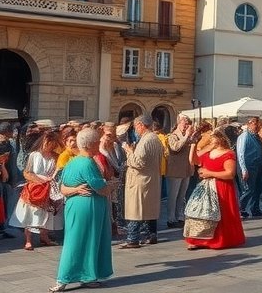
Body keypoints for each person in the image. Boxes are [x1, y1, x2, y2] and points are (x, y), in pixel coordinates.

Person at [51, 128, 114, 291]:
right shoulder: (88, 162)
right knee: (88, 241)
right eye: (98, 142)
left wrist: (75, 190)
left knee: (76, 240)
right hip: (89, 206)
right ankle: (65, 278)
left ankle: (84, 276)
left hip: (73, 206)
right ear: (91, 144)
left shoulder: (72, 162)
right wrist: (112, 185)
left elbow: (62, 188)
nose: (99, 144)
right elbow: (100, 188)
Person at [185, 130, 245, 250]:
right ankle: (198, 239)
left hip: (222, 187)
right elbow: (193, 161)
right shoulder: (207, 152)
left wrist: (209, 173)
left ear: (220, 139)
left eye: (213, 138)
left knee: (220, 214)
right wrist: (193, 144)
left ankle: (219, 239)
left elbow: (230, 173)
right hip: (206, 187)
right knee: (200, 212)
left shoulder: (228, 153)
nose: (210, 140)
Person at [9, 130, 63, 250]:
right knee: (31, 213)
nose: (49, 145)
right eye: (47, 142)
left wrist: (51, 181)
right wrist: (39, 180)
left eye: (52, 143)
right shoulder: (34, 155)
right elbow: (27, 172)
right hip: (35, 187)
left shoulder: (55, 156)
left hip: (49, 187)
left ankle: (45, 236)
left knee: (47, 214)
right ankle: (28, 240)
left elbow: (58, 171)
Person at [120, 115, 163, 248]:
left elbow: (138, 163)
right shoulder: (155, 138)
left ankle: (132, 238)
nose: (135, 129)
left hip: (140, 180)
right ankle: (151, 235)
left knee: (136, 209)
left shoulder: (145, 141)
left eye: (135, 126)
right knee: (149, 208)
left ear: (141, 125)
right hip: (151, 178)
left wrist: (128, 152)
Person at [165, 114, 196, 229]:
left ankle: (179, 216)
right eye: (184, 123)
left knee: (182, 195)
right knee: (173, 196)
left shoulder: (187, 136)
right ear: (179, 123)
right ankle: (170, 219)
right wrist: (186, 136)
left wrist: (191, 135)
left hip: (185, 169)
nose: (186, 126)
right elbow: (175, 147)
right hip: (175, 170)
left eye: (188, 124)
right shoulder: (172, 136)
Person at [236, 117, 262, 219]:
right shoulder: (244, 136)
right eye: (255, 124)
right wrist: (244, 169)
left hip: (257, 165)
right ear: (249, 124)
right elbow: (240, 153)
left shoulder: (257, 137)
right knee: (248, 189)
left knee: (258, 188)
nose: (257, 126)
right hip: (248, 166)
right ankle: (240, 208)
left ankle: (255, 209)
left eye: (258, 124)